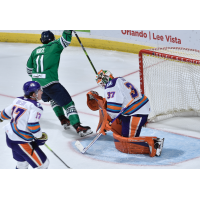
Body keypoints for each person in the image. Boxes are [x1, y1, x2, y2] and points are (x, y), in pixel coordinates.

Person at [26, 30, 92, 137]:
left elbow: (29, 70)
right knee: (68, 104)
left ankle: (63, 119)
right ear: (52, 39)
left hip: (38, 86)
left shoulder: (35, 51)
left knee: (53, 98)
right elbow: (65, 40)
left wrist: (39, 77)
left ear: (41, 40)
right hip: (50, 83)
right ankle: (78, 127)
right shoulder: (54, 45)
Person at [94, 70, 164, 155]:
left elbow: (114, 110)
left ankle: (155, 144)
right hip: (137, 109)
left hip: (136, 113)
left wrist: (108, 122)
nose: (102, 85)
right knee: (119, 128)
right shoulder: (119, 80)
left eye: (101, 83)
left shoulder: (110, 86)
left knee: (127, 144)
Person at [0, 81, 49, 169]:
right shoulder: (35, 106)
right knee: (43, 164)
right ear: (34, 94)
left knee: (22, 164)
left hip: (10, 138)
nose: (41, 92)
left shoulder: (17, 100)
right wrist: (39, 136)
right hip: (21, 142)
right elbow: (32, 125)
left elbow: (4, 114)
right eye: (39, 90)